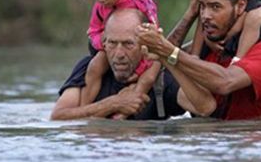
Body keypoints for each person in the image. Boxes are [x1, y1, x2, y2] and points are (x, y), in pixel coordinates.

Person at [137, 0, 261, 120]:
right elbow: (205, 106)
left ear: (240, 6)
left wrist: (168, 51)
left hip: (250, 139)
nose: (205, 16)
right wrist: (162, 52)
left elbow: (225, 82)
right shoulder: (210, 46)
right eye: (202, 6)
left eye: (216, 7)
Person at [50, 9, 184, 120]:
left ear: (145, 45)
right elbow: (58, 117)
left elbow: (202, 107)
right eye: (112, 43)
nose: (119, 54)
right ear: (104, 42)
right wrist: (114, 103)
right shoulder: (87, 68)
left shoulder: (161, 79)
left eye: (128, 44)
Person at [80, 0, 160, 109]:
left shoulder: (141, 2)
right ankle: (84, 108)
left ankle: (130, 102)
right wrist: (101, 41)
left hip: (142, 51)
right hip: (109, 49)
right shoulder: (100, 8)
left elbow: (153, 33)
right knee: (94, 67)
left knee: (151, 74)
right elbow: (93, 31)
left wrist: (140, 70)